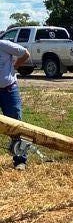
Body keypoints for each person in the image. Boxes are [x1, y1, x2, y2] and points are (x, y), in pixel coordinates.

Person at [0, 36, 31, 170]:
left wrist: (16, 65)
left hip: (9, 90)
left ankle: (20, 161)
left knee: (17, 126)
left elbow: (25, 53)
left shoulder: (3, 45)